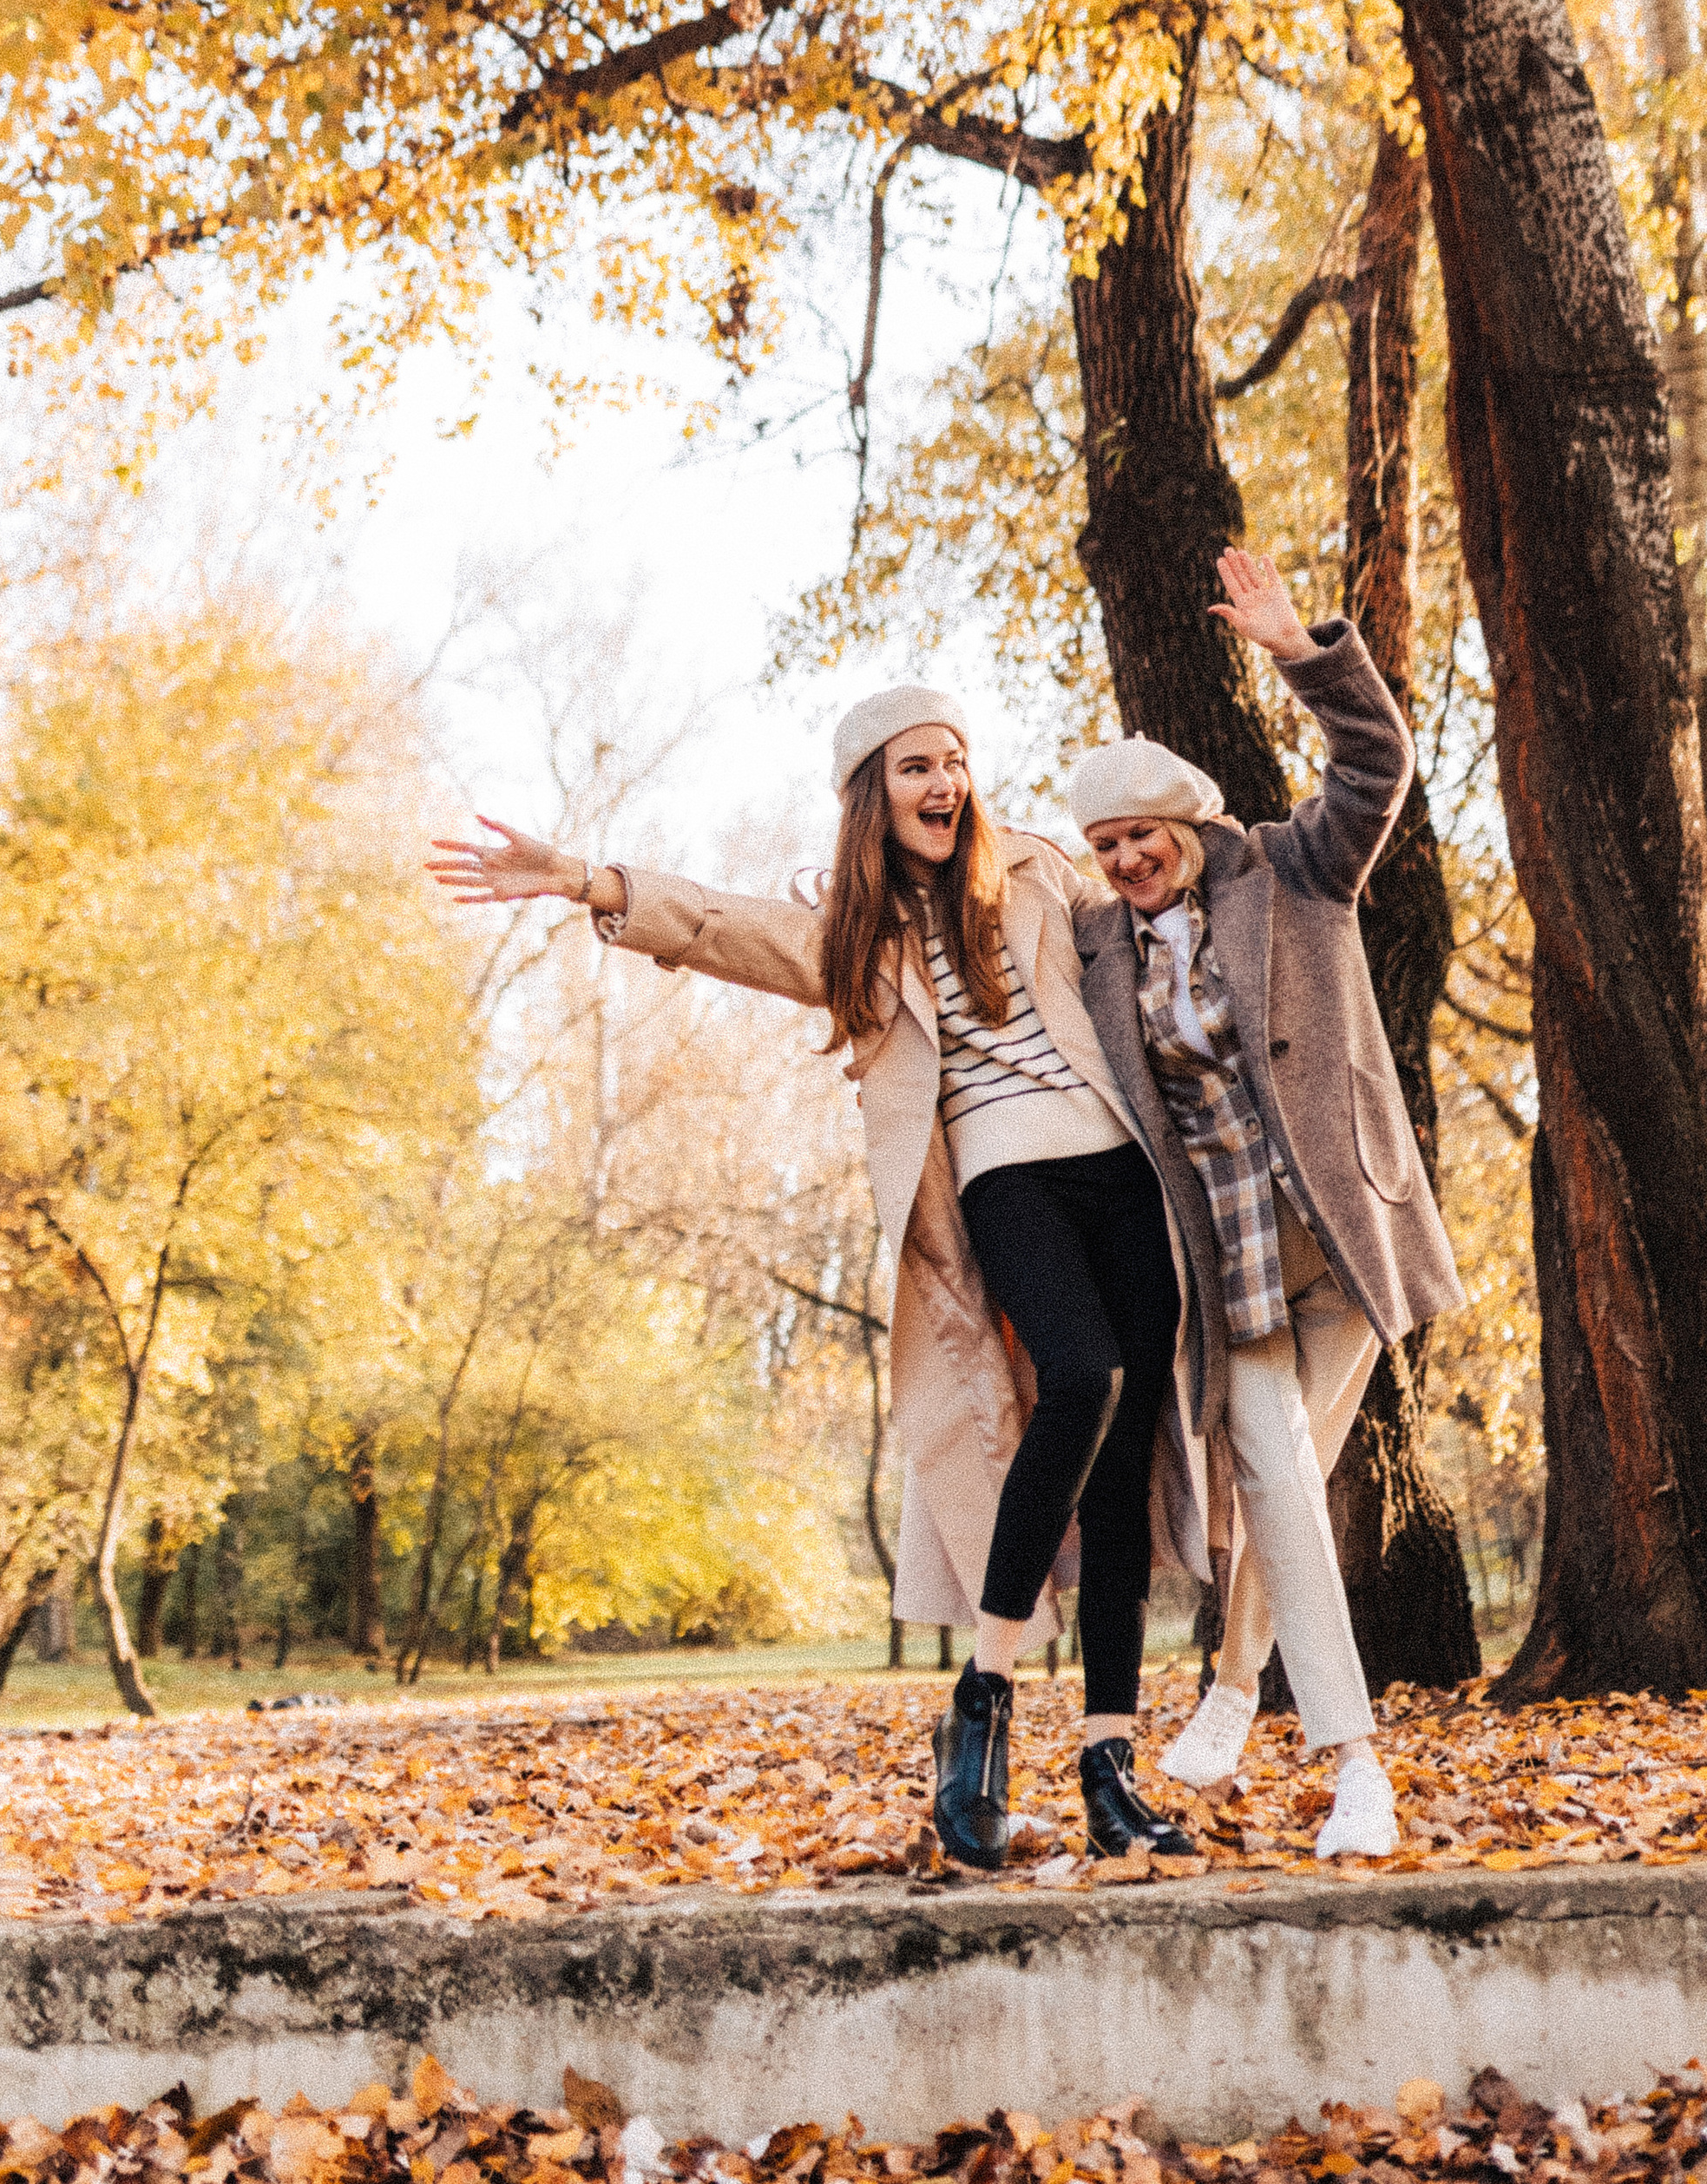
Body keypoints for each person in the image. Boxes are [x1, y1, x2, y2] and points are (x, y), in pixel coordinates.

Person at [425, 686, 1223, 1872]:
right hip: (1004, 1182)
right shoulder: (851, 936)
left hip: (1123, 1171)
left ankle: (1110, 1763)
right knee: (1083, 1376)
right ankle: (985, 1699)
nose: (944, 782)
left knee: (1120, 1465)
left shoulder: (1048, 876)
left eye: (954, 761)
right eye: (915, 767)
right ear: (872, 794)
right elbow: (718, 925)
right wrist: (589, 878)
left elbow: (1168, 899)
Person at [1067, 547, 1465, 1862]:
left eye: (1143, 836)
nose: (1127, 859)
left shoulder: (1296, 872)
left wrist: (1307, 653)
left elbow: (1376, 767)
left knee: (1289, 1492)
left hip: (1341, 1243)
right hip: (1227, 1265)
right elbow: (978, 894)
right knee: (1283, 1482)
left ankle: (1240, 1693)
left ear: (1188, 829)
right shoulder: (1093, 949)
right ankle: (1354, 1765)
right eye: (1107, 844)